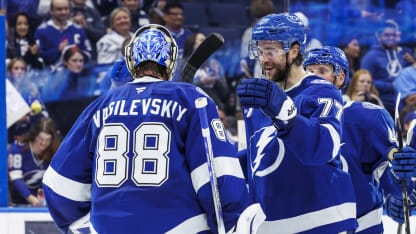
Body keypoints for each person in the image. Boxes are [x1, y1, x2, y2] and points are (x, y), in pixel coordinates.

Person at [42, 24, 252, 234]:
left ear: (132, 60)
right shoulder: (192, 99)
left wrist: (93, 224)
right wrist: (230, 225)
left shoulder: (99, 107)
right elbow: (217, 180)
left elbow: (58, 187)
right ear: (170, 61)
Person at [236, 13, 358, 233]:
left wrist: (285, 112)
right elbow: (260, 160)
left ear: (293, 51)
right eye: (261, 51)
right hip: (272, 224)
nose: (264, 59)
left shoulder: (322, 90)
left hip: (322, 220)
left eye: (271, 51)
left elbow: (324, 148)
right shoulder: (258, 100)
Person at [303, 46, 410, 233]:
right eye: (309, 72)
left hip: (360, 226)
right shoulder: (290, 122)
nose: (313, 78)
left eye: (322, 71)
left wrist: (402, 184)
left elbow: (393, 181)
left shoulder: (365, 117)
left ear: (340, 77)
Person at [360, 19, 414, 117]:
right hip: (384, 101)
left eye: (393, 35)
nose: (391, 38)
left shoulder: (404, 53)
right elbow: (363, 80)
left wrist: (413, 62)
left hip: (405, 101)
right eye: (387, 35)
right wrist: (391, 85)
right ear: (380, 37)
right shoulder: (371, 56)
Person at [8, 117, 61, 207]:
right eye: (41, 138)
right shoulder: (18, 148)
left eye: (48, 140)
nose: (44, 143)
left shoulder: (55, 150)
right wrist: (31, 198)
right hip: (17, 204)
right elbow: (15, 177)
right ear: (34, 135)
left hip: (46, 204)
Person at [34, 0, 92, 67]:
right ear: (51, 11)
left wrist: (75, 54)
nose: (63, 12)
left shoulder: (78, 30)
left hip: (76, 73)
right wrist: (57, 50)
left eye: (66, 9)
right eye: (59, 9)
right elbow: (39, 56)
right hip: (50, 74)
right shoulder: (42, 31)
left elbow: (88, 54)